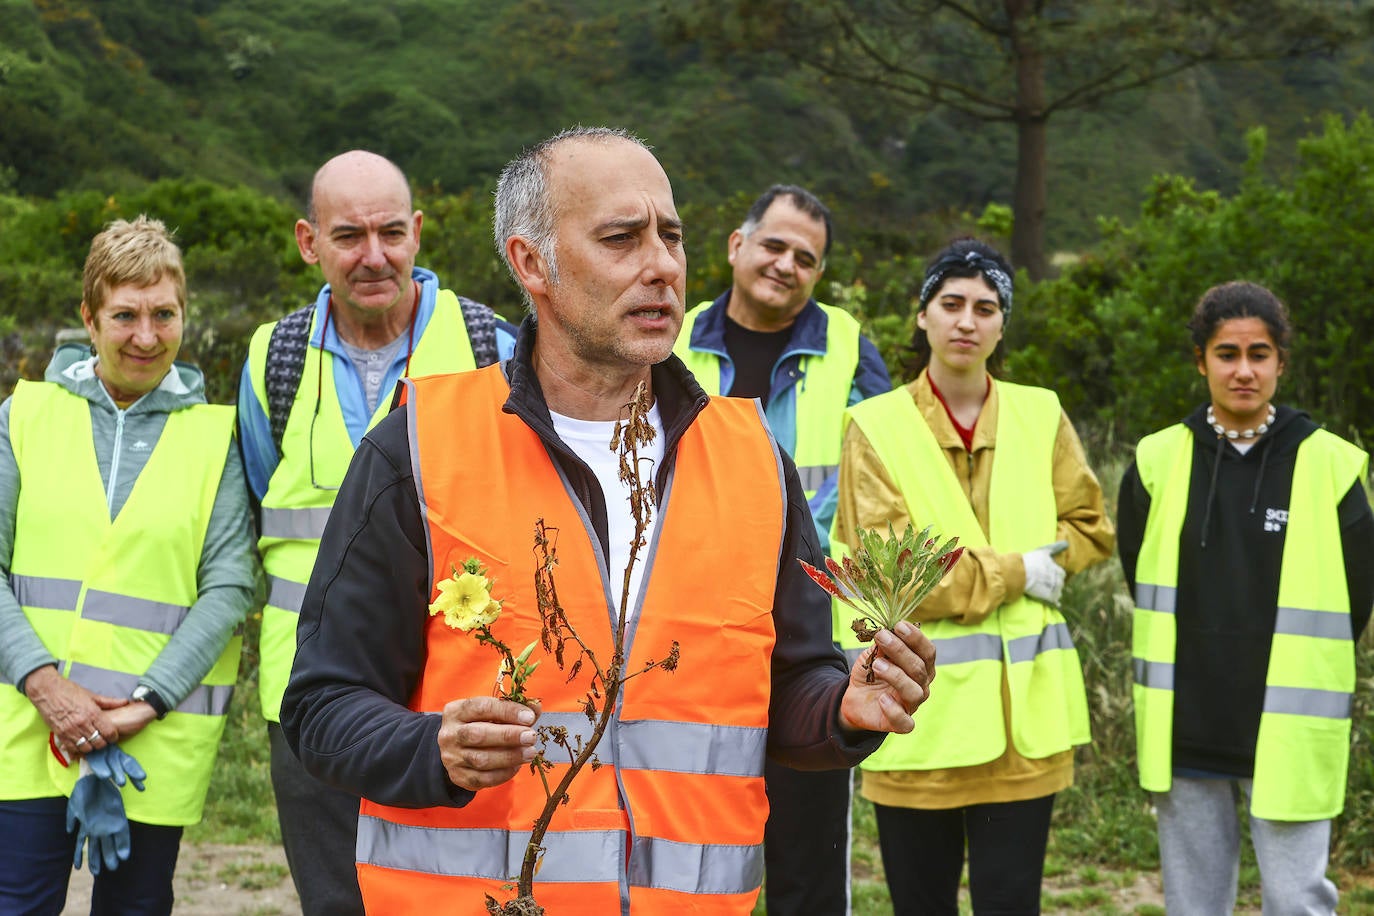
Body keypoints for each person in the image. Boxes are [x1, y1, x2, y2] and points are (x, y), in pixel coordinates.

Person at [281, 126, 939, 914]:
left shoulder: (753, 458)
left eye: (671, 235)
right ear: (532, 265)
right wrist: (433, 749)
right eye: (622, 239)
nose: (662, 265)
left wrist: (843, 708)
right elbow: (322, 707)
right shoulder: (419, 448)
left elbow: (789, 684)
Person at [236, 149, 517, 914]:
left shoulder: (495, 348)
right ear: (308, 241)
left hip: (463, 697)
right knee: (334, 899)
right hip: (311, 695)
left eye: (391, 233)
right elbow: (266, 496)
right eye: (348, 235)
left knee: (460, 897)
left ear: (419, 232)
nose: (373, 256)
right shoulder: (274, 359)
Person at [832, 238, 1115, 915]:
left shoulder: (1040, 413)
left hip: (1025, 734)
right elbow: (894, 577)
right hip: (917, 725)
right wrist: (1021, 571)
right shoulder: (873, 425)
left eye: (985, 307)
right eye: (950, 303)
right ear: (922, 316)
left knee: (1011, 902)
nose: (967, 320)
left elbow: (1091, 528)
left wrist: (1046, 560)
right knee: (920, 904)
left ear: (1002, 323)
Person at [0, 216, 255, 914]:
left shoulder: (216, 436)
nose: (146, 336)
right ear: (89, 317)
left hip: (155, 737)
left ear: (184, 316)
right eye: (124, 315)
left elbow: (230, 585)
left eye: (163, 314)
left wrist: (145, 703)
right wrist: (48, 689)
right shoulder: (24, 416)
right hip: (27, 729)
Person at [1117, 281, 1373, 915]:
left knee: (1296, 902)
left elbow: (1356, 598)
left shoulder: (1331, 465)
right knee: (1194, 905)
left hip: (1289, 724)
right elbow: (1138, 574)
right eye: (1226, 353)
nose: (1243, 370)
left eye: (1259, 354)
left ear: (1281, 363)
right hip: (1187, 722)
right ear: (1201, 359)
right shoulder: (1156, 460)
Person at [674, 184, 890, 915]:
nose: (787, 264)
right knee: (685, 859)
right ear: (736, 247)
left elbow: (879, 483)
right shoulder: (669, 337)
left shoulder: (851, 347)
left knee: (807, 867)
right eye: (774, 245)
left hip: (808, 641)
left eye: (808, 257)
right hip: (692, 635)